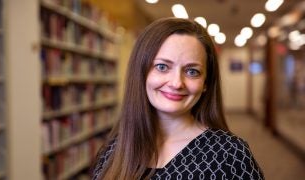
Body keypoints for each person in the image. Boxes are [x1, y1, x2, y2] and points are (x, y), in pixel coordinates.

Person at [91, 17, 264, 180]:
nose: (176, 83)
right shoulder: (114, 149)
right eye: (162, 66)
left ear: (205, 83)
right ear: (141, 73)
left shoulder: (231, 155)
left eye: (192, 71)